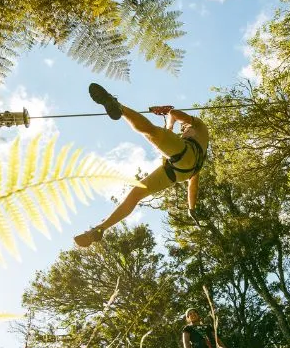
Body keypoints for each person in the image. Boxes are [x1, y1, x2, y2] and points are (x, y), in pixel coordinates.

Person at [74, 83, 208, 247]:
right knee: (136, 194)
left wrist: (169, 119)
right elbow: (192, 187)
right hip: (179, 171)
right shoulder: (199, 149)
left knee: (152, 132)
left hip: (184, 158)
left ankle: (118, 106)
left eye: (184, 127)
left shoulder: (198, 125)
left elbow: (174, 113)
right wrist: (191, 209)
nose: (183, 129)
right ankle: (100, 228)